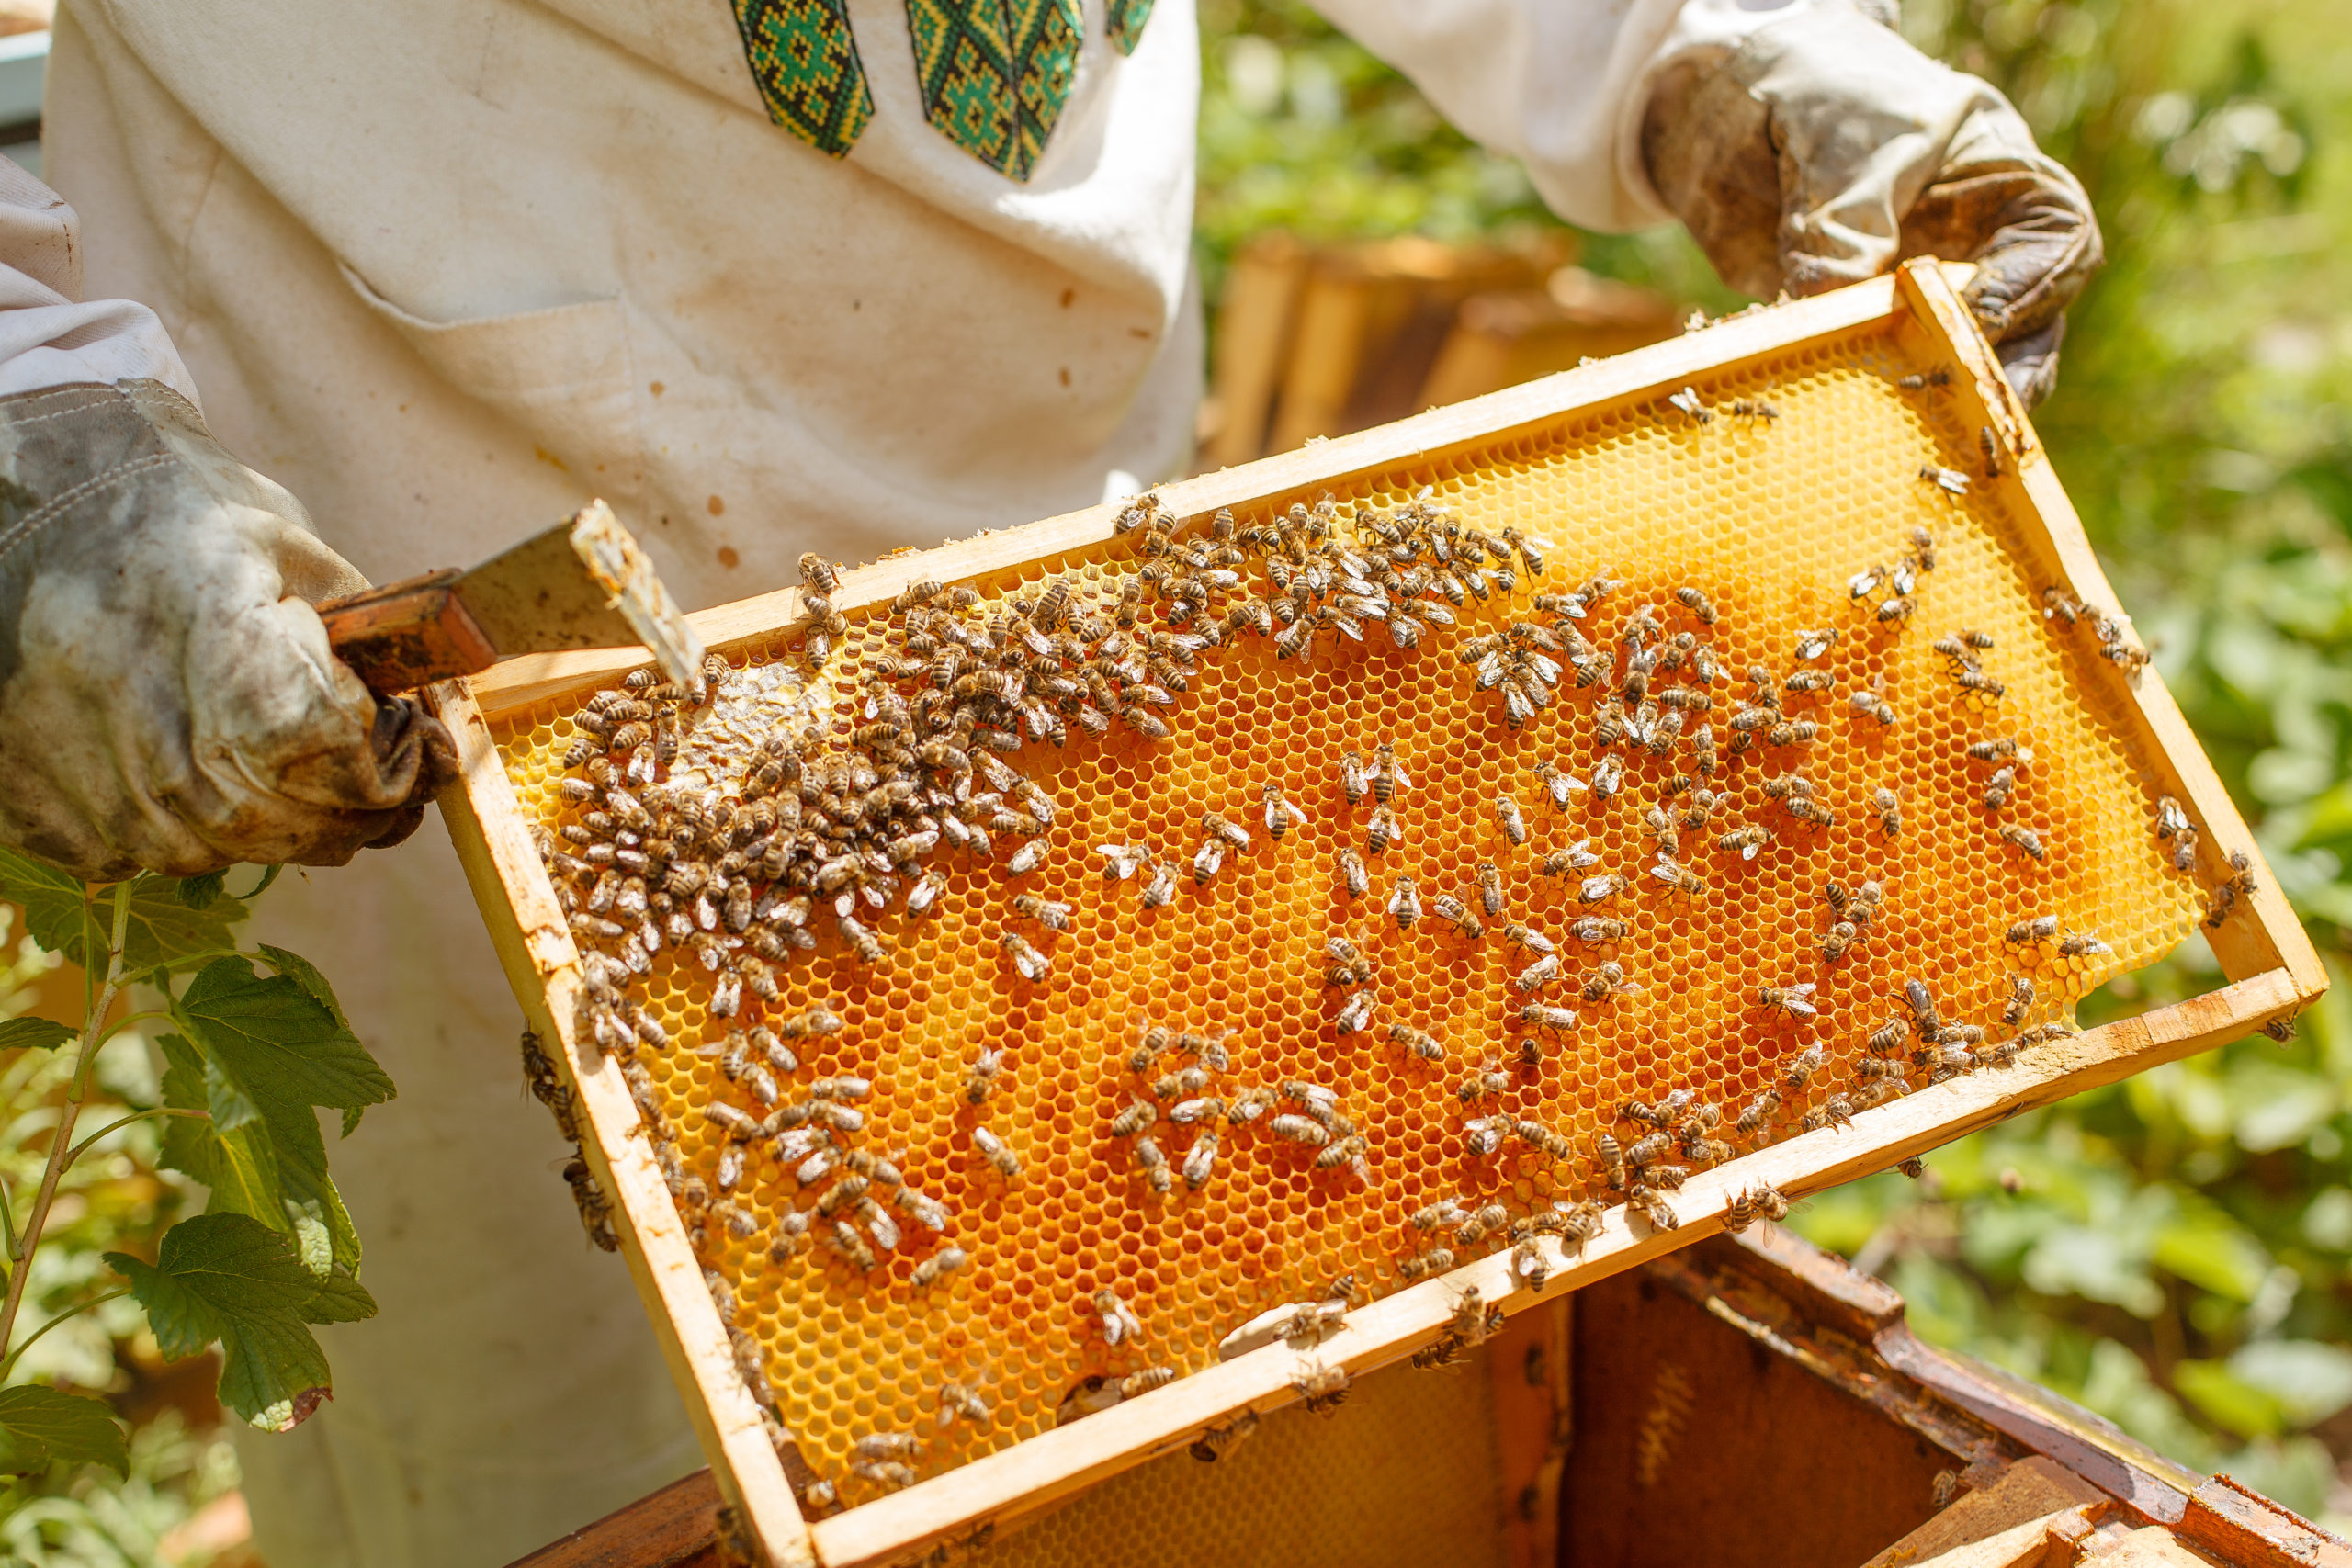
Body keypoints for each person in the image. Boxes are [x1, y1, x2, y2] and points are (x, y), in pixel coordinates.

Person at [0, 0, 2098, 1560]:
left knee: (1129, 1370)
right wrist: (31, 430)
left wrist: (1699, 41)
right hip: (421, 624)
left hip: (1080, 627)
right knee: (547, 1471)